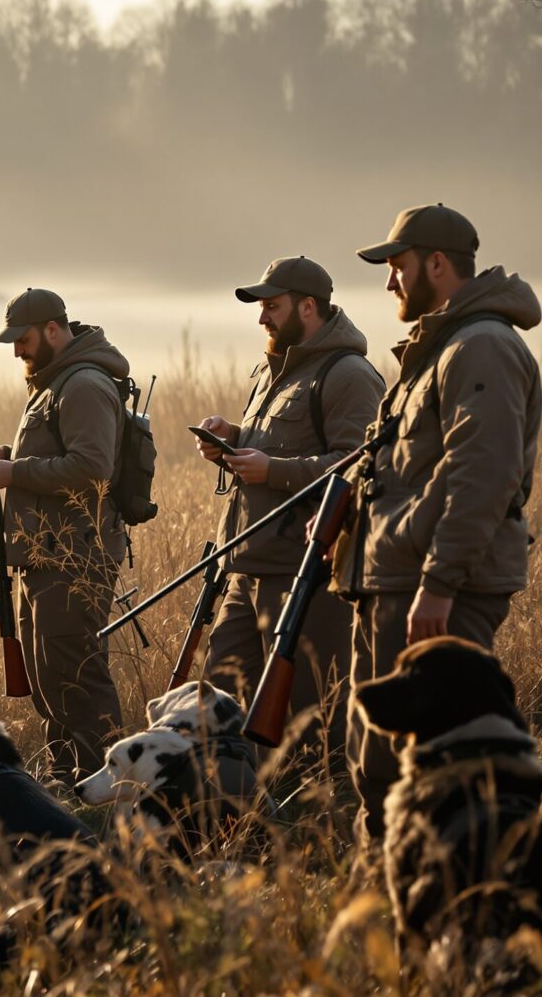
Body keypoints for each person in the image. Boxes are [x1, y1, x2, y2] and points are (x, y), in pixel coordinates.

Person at [337, 203, 542, 844]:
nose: (390, 282)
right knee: (378, 761)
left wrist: (440, 583)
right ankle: (386, 890)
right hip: (397, 579)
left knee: (433, 770)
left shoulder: (480, 347)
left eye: (398, 266)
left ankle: (450, 894)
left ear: (436, 264)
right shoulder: (439, 348)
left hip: (433, 589)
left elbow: (481, 478)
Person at [195, 256, 382, 760]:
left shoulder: (350, 375)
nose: (262, 318)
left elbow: (359, 464)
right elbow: (274, 443)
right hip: (246, 568)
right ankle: (241, 822)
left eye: (271, 307)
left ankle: (319, 823)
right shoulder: (267, 370)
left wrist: (273, 469)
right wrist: (232, 440)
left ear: (308, 306)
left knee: (309, 720)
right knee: (223, 708)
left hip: (305, 574)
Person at [0, 287, 131, 784]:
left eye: (22, 339)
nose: (17, 350)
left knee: (78, 676)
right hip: (46, 556)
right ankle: (67, 782)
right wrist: (9, 457)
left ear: (54, 331)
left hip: (75, 559)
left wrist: (15, 474)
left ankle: (109, 786)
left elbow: (91, 466)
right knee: (49, 679)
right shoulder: (52, 382)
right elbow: (59, 452)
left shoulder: (82, 384)